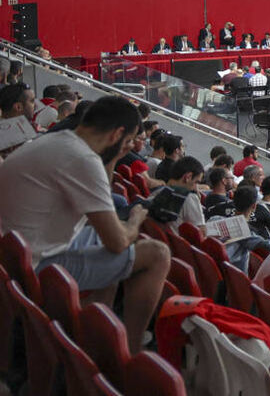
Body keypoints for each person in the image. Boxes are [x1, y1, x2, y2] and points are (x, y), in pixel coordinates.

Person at [0, 96, 169, 353]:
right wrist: (135, 219)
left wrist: (113, 158)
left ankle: (96, 335)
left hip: (16, 252)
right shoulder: (82, 160)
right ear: (118, 134)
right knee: (158, 254)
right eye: (129, 140)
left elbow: (102, 207)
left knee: (104, 241)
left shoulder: (58, 141)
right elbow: (118, 241)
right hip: (35, 265)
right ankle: (130, 352)